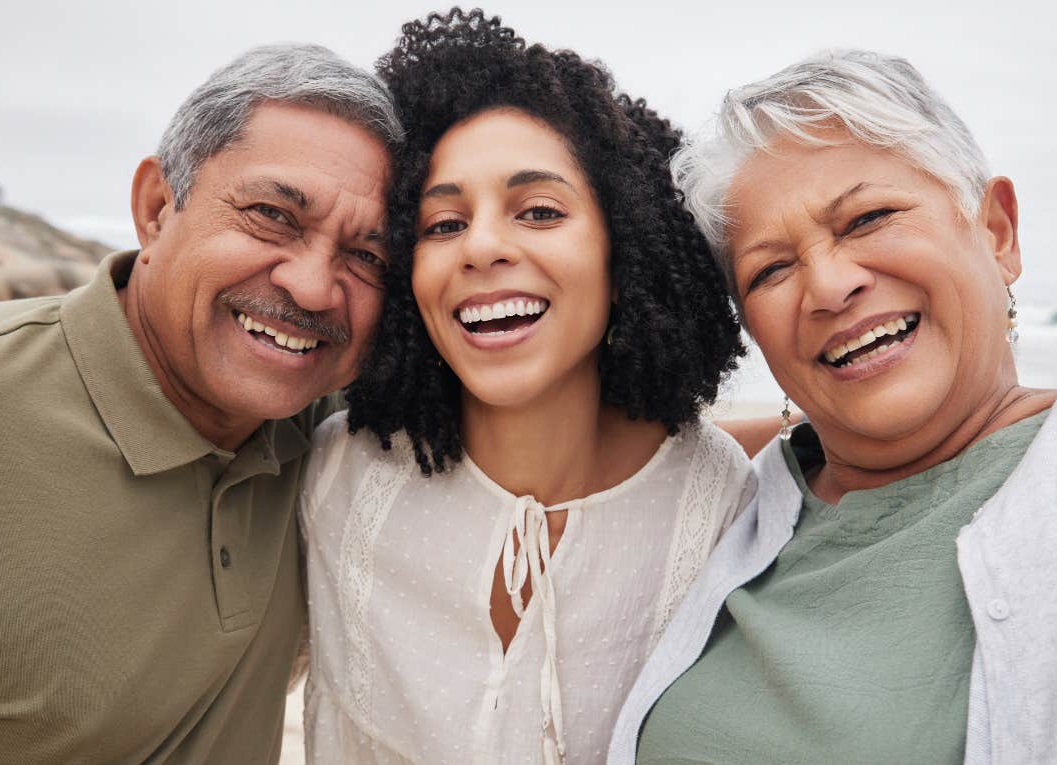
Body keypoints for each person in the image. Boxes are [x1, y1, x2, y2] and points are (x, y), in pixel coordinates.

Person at [610, 50, 1057, 764]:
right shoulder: (725, 505)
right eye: (772, 268)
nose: (828, 285)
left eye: (868, 218)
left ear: (998, 230)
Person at [0, 44, 401, 763]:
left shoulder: (332, 439)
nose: (314, 286)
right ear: (157, 209)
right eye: (272, 215)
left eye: (367, 257)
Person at [299, 9, 754, 765]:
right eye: (443, 223)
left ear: (626, 248)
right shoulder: (334, 477)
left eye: (539, 211)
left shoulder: (724, 517)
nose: (480, 246)